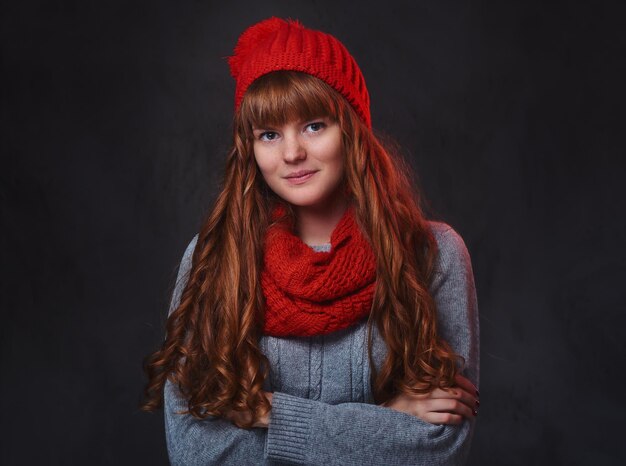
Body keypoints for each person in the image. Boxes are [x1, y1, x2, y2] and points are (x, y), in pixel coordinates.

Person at [142, 17, 479, 465]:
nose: (291, 153)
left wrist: (267, 412)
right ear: (250, 148)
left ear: (353, 130)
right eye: (269, 134)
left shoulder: (432, 255)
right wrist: (384, 421)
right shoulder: (215, 259)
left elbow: (438, 448)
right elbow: (195, 452)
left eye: (314, 126)